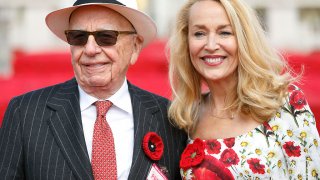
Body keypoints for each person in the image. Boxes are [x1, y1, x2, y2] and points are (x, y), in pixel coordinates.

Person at [0, 0, 187, 179]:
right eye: (78, 37)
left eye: (106, 37)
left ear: (135, 47)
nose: (90, 49)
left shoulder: (169, 118)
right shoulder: (24, 114)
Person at [168, 0, 320, 179]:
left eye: (224, 32)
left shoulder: (285, 103)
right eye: (199, 33)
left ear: (244, 39)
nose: (210, 45)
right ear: (187, 42)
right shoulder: (185, 117)